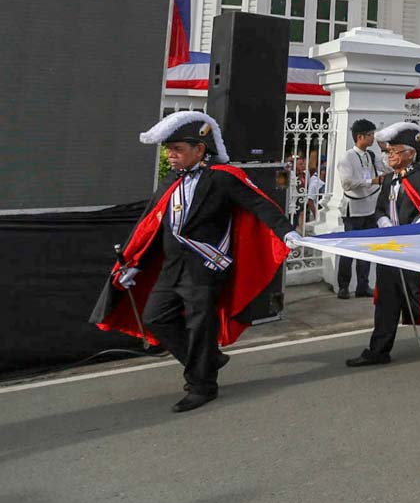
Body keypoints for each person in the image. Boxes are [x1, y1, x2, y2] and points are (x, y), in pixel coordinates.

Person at [92, 112, 303, 412]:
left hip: (206, 267)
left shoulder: (223, 177)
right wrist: (134, 263)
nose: (171, 155)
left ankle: (203, 384)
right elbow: (152, 226)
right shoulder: (170, 180)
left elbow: (258, 204)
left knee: (200, 327)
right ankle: (209, 360)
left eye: (177, 149)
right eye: (168, 149)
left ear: (200, 149)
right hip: (172, 267)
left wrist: (286, 232)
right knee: (155, 318)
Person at [347, 122, 420, 366]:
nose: (389, 155)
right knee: (386, 301)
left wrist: (419, 223)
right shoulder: (390, 179)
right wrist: (383, 222)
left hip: (413, 251)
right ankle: (379, 350)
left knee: (419, 298)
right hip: (391, 250)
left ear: (411, 153)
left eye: (395, 150)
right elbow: (380, 208)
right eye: (388, 151)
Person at [335, 118, 386, 298]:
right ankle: (343, 286)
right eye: (370, 135)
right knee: (349, 248)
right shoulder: (347, 157)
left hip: (370, 208)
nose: (372, 138)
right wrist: (371, 181)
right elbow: (347, 183)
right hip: (353, 209)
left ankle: (362, 286)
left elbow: (386, 167)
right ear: (360, 137)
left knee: (366, 248)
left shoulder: (370, 155)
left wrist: (384, 148)